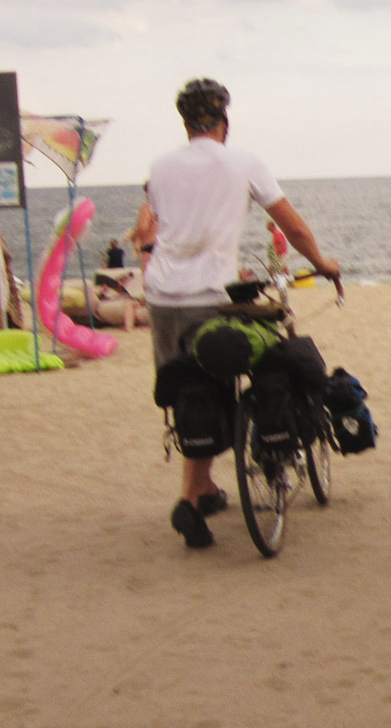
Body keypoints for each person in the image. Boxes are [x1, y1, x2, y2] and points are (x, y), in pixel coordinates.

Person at [144, 78, 342, 549]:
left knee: (183, 387)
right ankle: (191, 498)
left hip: (161, 296)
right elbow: (292, 227)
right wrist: (321, 263)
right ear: (224, 122)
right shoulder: (244, 163)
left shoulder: (159, 167)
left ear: (185, 123)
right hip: (211, 297)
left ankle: (203, 489)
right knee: (218, 382)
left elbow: (152, 227)